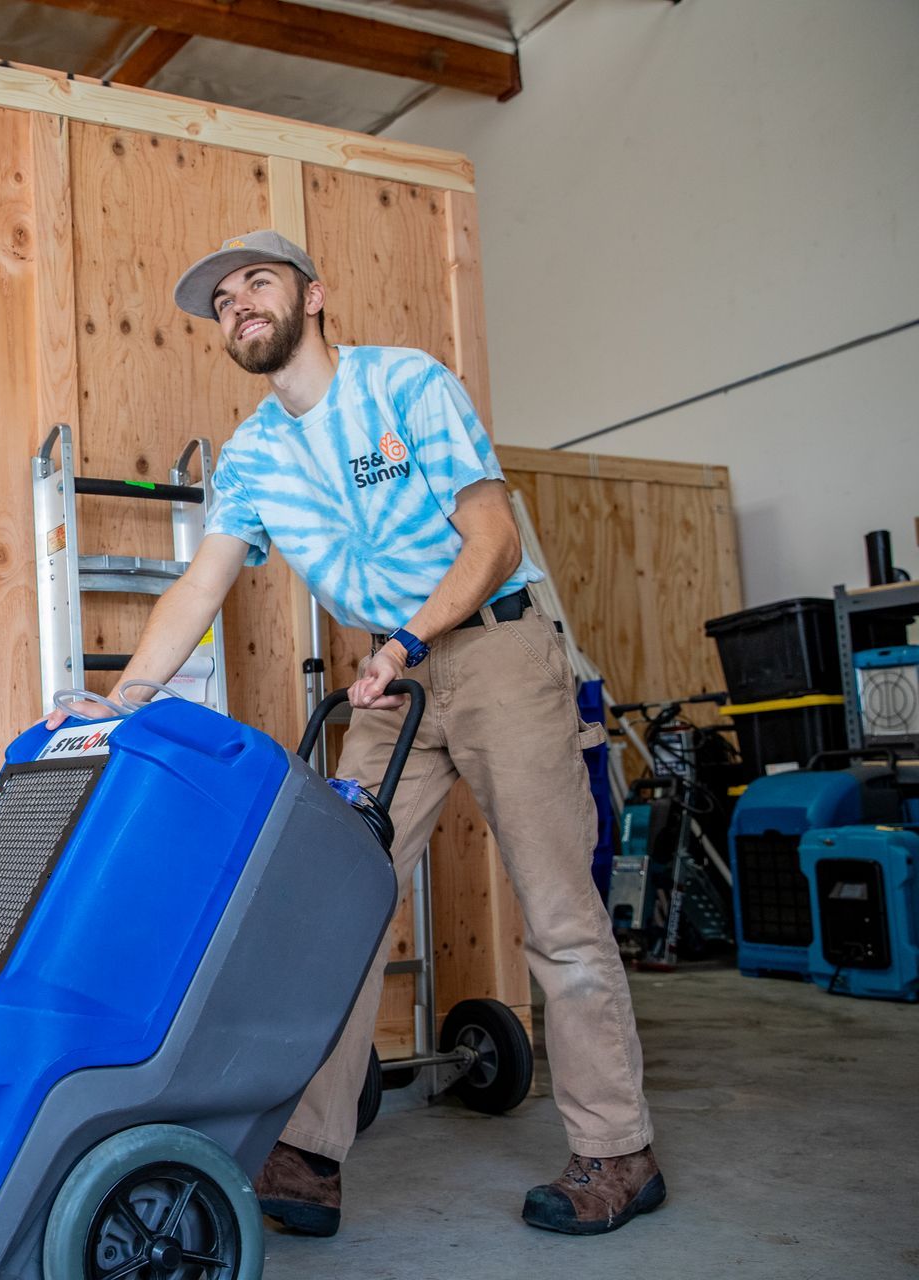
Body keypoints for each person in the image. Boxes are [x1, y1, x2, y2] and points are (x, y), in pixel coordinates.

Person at [45, 230, 664, 1237]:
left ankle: (617, 1149)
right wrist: (124, 697)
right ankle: (309, 1152)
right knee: (329, 907)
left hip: (493, 650)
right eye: (222, 299)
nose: (238, 302)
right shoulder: (252, 456)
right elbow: (202, 582)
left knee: (559, 911)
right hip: (389, 681)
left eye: (258, 282)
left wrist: (412, 638)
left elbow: (493, 534)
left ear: (313, 296)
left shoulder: (406, 387)